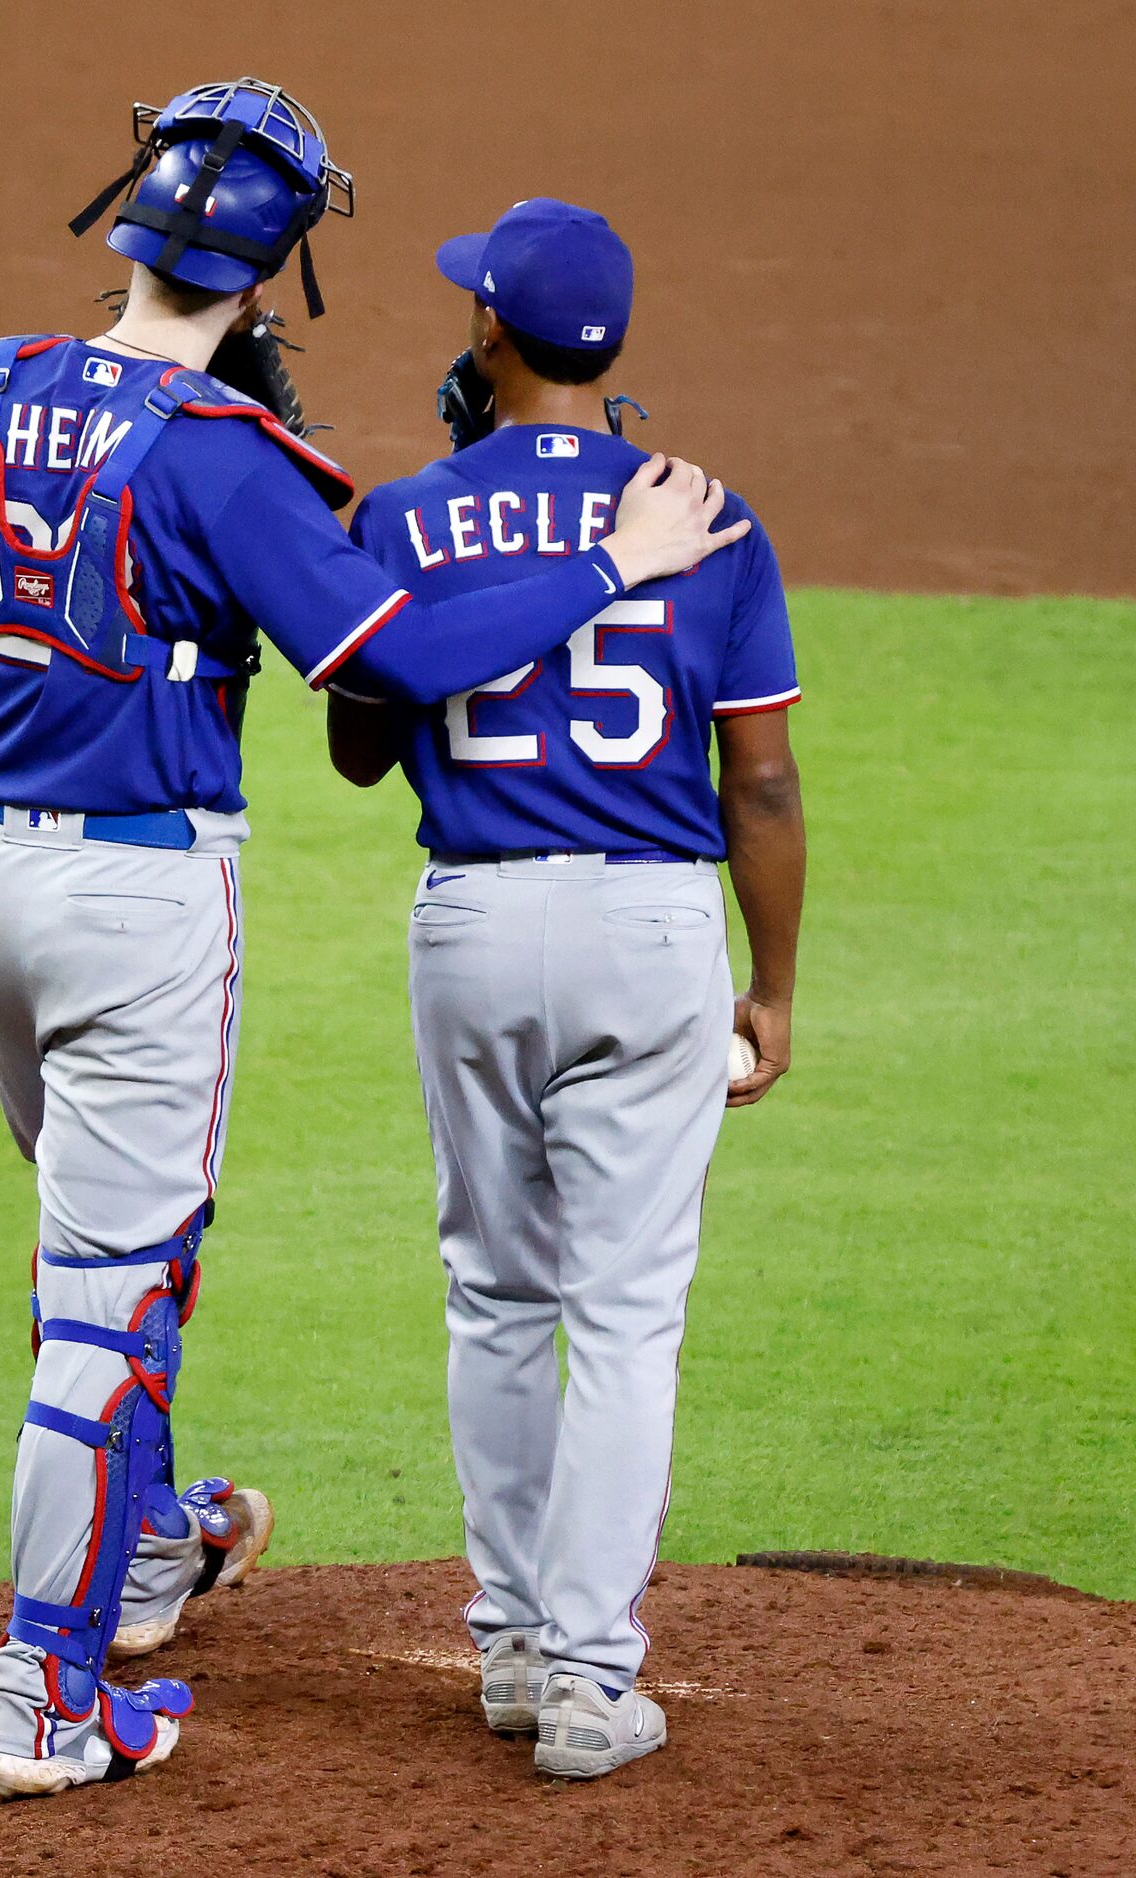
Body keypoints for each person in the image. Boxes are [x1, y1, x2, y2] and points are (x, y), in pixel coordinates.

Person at [0, 89, 750, 1801]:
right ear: (277, 263)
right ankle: (47, 1685)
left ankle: (147, 1542)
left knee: (95, 1246)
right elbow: (396, 668)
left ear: (125, 211)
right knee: (112, 1293)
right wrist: (609, 561)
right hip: (136, 902)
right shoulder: (224, 458)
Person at [326, 198, 807, 1781]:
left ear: (487, 331)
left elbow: (354, 742)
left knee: (495, 1289)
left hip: (470, 924)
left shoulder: (406, 512)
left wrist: (433, 592)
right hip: (656, 932)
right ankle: (597, 1678)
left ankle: (515, 1646)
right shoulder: (713, 516)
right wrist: (775, 986)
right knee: (624, 1313)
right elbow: (763, 787)